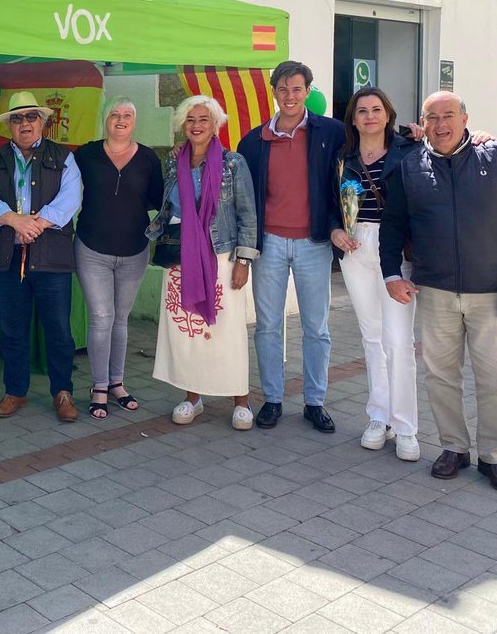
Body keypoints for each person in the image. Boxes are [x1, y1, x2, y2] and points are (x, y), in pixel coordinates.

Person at [381, 91, 497, 495]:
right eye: (431, 117)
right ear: (423, 122)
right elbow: (392, 227)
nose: (440, 125)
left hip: (491, 290)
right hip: (434, 289)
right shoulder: (409, 168)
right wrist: (391, 274)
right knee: (440, 375)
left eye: (448, 115)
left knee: (495, 380)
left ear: (465, 118)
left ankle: (496, 456)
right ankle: (454, 447)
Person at [237, 60, 346, 433]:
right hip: (268, 245)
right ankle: (272, 398)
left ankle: (315, 402)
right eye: (283, 89)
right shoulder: (253, 141)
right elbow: (243, 197)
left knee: (316, 327)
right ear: (274, 93)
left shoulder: (331, 132)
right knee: (268, 326)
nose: (290, 96)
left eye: (297, 89)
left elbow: (374, 144)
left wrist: (413, 136)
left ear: (308, 91)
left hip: (314, 244)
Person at [151, 96, 258, 428]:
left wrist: (244, 260)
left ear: (215, 124)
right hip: (181, 256)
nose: (196, 126)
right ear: (183, 125)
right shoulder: (173, 162)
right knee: (188, 332)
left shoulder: (232, 163)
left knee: (227, 330)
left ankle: (239, 400)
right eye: (190, 120)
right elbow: (168, 208)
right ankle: (192, 397)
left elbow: (247, 214)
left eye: (204, 120)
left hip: (222, 255)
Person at [0, 91, 82, 422]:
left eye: (31, 117)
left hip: (52, 257)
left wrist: (34, 224)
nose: (25, 124)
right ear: (10, 125)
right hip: (9, 256)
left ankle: (62, 392)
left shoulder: (64, 156)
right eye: (18, 118)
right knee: (12, 329)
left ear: (43, 121)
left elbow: (71, 197)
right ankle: (15, 391)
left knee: (59, 330)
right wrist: (13, 220)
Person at [332, 87, 421, 460]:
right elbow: (328, 202)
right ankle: (378, 416)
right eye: (362, 110)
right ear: (353, 118)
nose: (370, 116)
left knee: (398, 340)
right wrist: (335, 230)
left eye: (377, 109)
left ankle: (405, 427)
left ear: (388, 115)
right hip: (355, 247)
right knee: (371, 336)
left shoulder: (411, 150)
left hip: (396, 249)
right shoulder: (342, 157)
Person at [73, 98, 163, 419]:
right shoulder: (86, 154)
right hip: (91, 248)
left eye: (127, 115)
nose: (121, 120)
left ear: (134, 122)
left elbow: (161, 200)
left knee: (120, 319)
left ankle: (116, 383)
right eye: (115, 114)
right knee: (101, 317)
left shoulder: (149, 159)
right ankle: (98, 386)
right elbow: (65, 187)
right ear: (105, 120)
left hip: (135, 250)